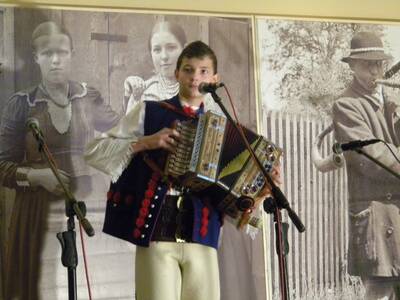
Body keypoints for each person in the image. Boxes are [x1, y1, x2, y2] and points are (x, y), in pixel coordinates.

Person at [85, 40, 281, 300]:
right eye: (188, 69)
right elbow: (95, 151)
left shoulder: (224, 130)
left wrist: (261, 192)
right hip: (157, 235)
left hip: (203, 239)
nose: (194, 77)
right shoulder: (148, 112)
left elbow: (236, 206)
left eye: (203, 71)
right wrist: (147, 142)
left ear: (214, 78)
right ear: (176, 73)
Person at [0, 21, 120, 300]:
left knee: (93, 287)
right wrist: (37, 176)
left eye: (62, 52)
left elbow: (121, 132)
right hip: (37, 217)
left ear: (72, 54)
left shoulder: (87, 97)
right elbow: (2, 166)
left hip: (87, 211)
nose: (55, 60)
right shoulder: (21, 104)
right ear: (36, 58)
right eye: (47, 53)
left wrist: (133, 99)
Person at [332, 31, 400, 300]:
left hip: (397, 213)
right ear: (352, 66)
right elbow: (374, 158)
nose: (375, 70)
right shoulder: (345, 105)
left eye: (379, 63)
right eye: (367, 64)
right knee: (379, 291)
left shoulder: (391, 104)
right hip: (375, 217)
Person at [123, 21, 186, 114]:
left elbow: (213, 126)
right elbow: (128, 128)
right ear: (151, 54)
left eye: (171, 47)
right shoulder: (143, 93)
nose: (164, 56)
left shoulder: (200, 92)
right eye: (157, 50)